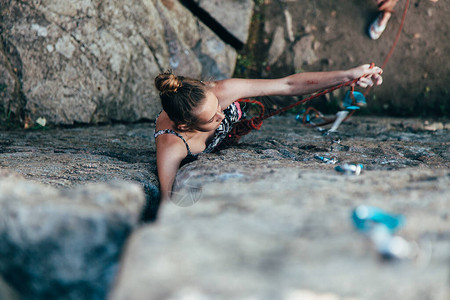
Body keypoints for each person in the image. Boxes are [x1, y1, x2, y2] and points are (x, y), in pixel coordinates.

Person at [154, 64, 383, 201]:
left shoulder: (219, 92)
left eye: (218, 107)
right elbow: (168, 199)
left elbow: (287, 85)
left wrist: (347, 76)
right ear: (184, 126)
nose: (221, 116)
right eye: (212, 118)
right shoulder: (172, 145)